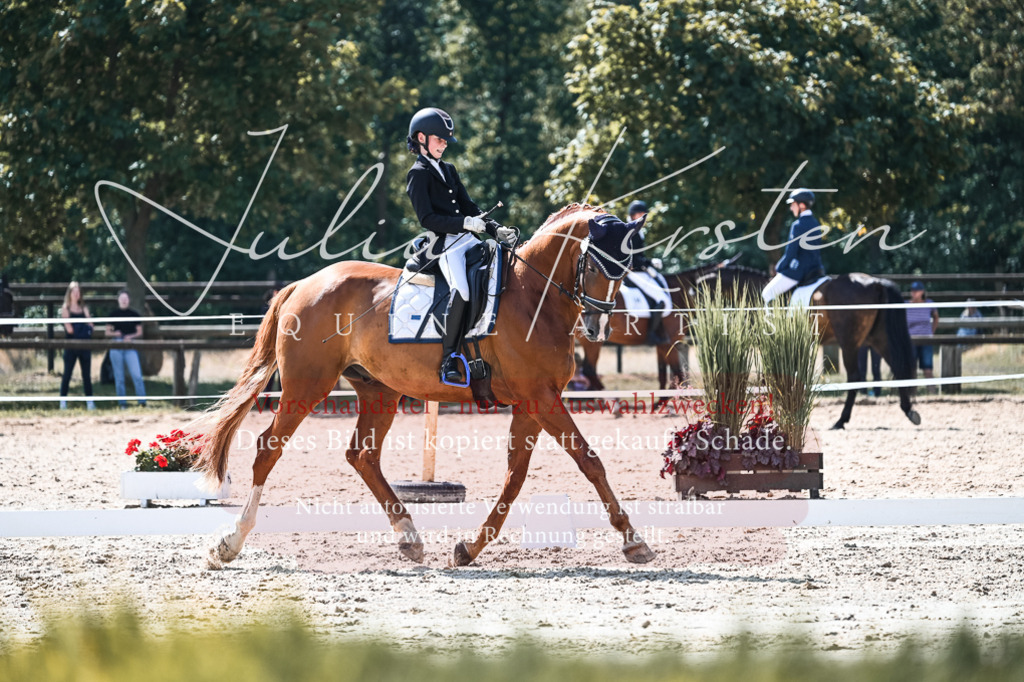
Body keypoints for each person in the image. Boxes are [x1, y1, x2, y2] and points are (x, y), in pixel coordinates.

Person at [405, 107, 515, 385]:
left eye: (445, 140)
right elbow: (427, 218)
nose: (443, 144)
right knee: (462, 290)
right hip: (443, 244)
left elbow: (469, 207)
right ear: (421, 138)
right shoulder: (417, 174)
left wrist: (495, 228)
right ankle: (448, 359)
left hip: (467, 239)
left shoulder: (449, 170)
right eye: (439, 139)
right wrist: (465, 224)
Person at [761, 188, 825, 303]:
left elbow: (791, 253)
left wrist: (779, 268)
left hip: (799, 271)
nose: (791, 208)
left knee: (766, 294)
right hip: (816, 269)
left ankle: (773, 321)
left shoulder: (798, 225)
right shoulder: (816, 223)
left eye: (793, 204)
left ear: (801, 205)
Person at [622, 200, 671, 345]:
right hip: (632, 272)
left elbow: (638, 256)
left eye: (644, 215)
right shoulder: (630, 230)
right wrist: (648, 263)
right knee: (661, 300)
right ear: (632, 215)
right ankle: (650, 334)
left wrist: (648, 262)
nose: (642, 217)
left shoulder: (637, 230)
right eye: (639, 214)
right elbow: (632, 257)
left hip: (638, 270)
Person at [106, 290, 147, 408]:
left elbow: (140, 332)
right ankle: (122, 403)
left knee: (137, 375)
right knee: (119, 377)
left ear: (129, 300)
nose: (124, 300)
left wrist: (130, 337)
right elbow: (107, 332)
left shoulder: (134, 314)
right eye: (122, 298)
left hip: (130, 346)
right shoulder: (113, 314)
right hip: (116, 345)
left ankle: (142, 402)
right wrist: (116, 334)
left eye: (126, 298)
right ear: (118, 300)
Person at [59, 281, 96, 410]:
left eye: (78, 292)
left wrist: (81, 329)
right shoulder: (65, 308)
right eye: (74, 292)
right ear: (69, 293)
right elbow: (69, 329)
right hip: (71, 347)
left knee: (86, 375)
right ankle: (63, 401)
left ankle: (90, 402)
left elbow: (91, 326)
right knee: (67, 374)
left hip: (84, 347)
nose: (76, 294)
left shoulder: (84, 308)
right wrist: (84, 329)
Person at [905, 281, 939, 386]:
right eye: (912, 291)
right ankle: (911, 393)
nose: (914, 293)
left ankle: (932, 393)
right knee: (911, 369)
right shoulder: (905, 304)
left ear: (922, 292)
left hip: (926, 340)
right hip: (911, 340)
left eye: (917, 291)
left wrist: (931, 332)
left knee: (927, 369)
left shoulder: (929, 303)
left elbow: (936, 317)